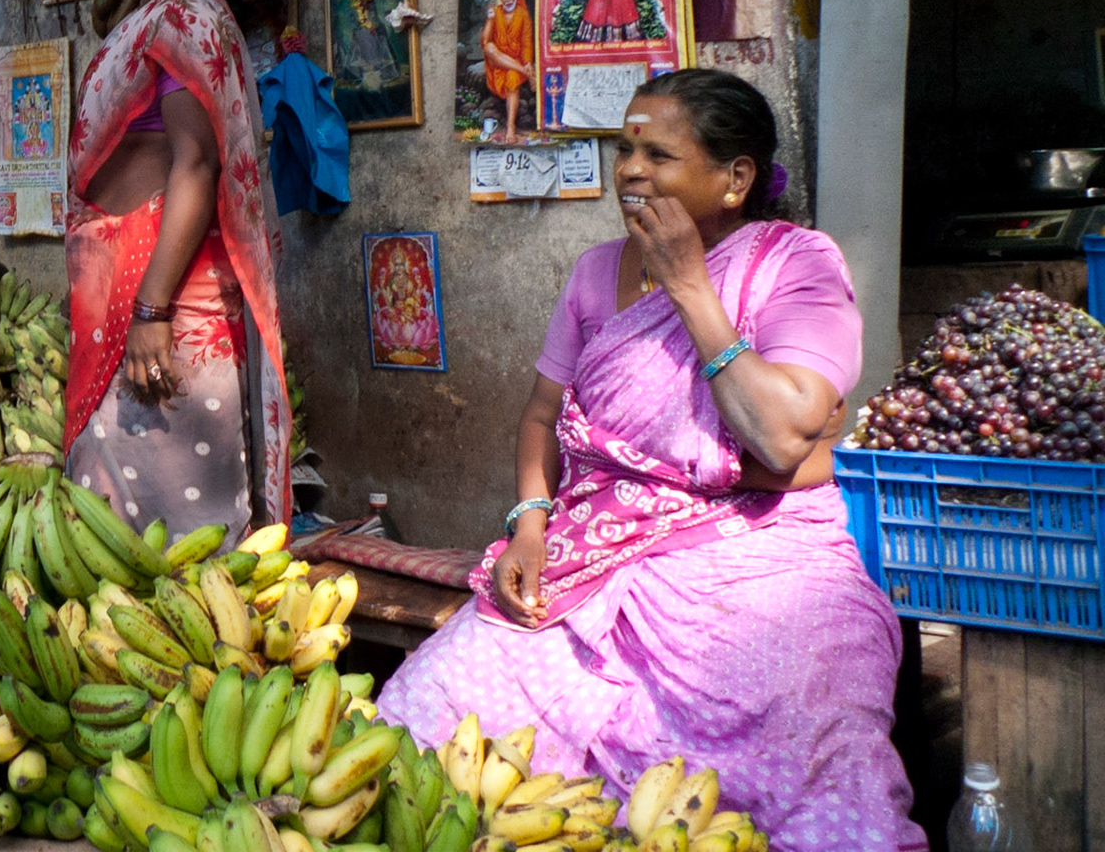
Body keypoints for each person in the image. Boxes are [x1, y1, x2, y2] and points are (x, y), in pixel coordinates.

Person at [374, 69, 923, 850]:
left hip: (757, 552)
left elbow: (779, 439)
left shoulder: (797, 265)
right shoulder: (596, 272)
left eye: (658, 154)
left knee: (811, 724)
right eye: (623, 148)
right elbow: (541, 415)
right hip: (592, 553)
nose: (630, 169)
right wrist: (529, 525)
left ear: (734, 179)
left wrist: (691, 288)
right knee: (435, 706)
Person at [63, 0, 292, 542]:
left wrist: (152, 310)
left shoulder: (187, 18)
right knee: (113, 534)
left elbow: (196, 163)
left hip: (168, 305)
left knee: (175, 532)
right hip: (132, 295)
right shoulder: (158, 18)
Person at [479, 0, 533, 142]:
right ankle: (526, 73)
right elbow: (484, 42)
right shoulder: (496, 13)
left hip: (515, 60)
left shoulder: (523, 14)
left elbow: (526, 41)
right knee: (489, 48)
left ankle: (510, 127)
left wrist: (528, 62)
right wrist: (489, 19)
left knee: (511, 78)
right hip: (497, 61)